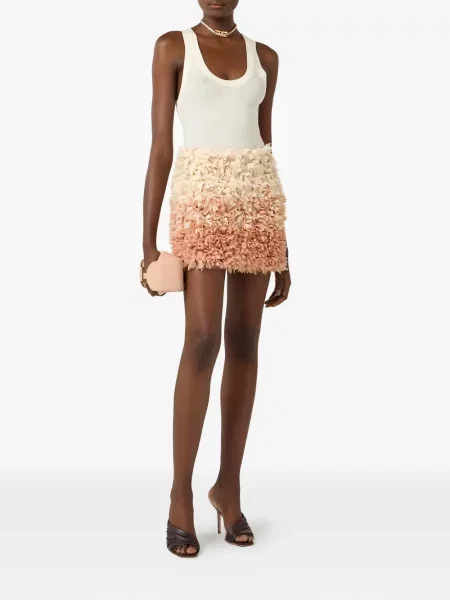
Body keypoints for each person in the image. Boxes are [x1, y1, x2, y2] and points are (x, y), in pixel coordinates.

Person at [141, 0, 291, 558]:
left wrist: (282, 244)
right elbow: (161, 147)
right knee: (202, 338)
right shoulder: (172, 46)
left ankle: (228, 487)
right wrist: (148, 243)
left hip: (257, 205)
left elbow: (265, 146)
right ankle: (180, 494)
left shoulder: (266, 57)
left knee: (246, 342)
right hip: (201, 200)